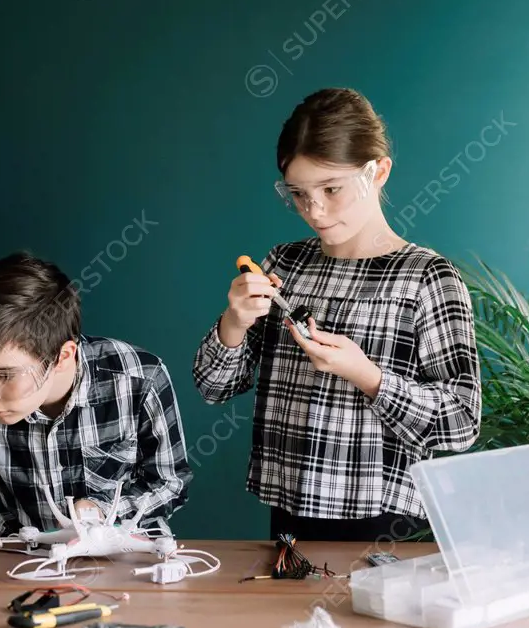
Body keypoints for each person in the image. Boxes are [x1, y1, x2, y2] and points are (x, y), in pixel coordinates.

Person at [192, 87, 482, 543]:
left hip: (383, 520)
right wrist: (234, 322)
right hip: (289, 511)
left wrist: (367, 375)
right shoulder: (284, 263)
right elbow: (213, 386)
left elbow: (462, 420)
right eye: (299, 194)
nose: (315, 210)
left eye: (331, 189)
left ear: (379, 171)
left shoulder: (427, 277)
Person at [0, 251, 192, 537]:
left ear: (62, 356)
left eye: (5, 375)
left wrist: (102, 512)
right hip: (22, 559)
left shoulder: (140, 378)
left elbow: (171, 484)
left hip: (126, 556)